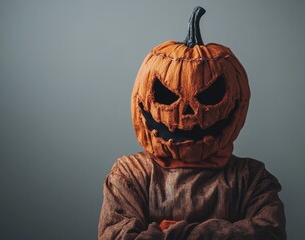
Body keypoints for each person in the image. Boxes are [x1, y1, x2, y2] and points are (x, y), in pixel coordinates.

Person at [98, 6, 286, 240]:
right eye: (167, 96)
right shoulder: (130, 175)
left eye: (209, 96)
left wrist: (174, 232)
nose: (188, 113)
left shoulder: (251, 179)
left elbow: (270, 233)